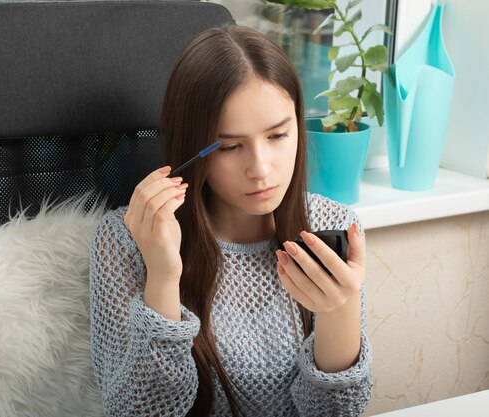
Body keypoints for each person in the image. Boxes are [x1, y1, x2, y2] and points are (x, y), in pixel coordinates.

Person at [89, 25, 372, 416]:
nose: (260, 169)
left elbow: (337, 413)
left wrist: (340, 308)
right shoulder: (124, 240)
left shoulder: (331, 224)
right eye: (229, 147)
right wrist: (163, 275)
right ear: (195, 147)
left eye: (277, 136)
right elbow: (139, 412)